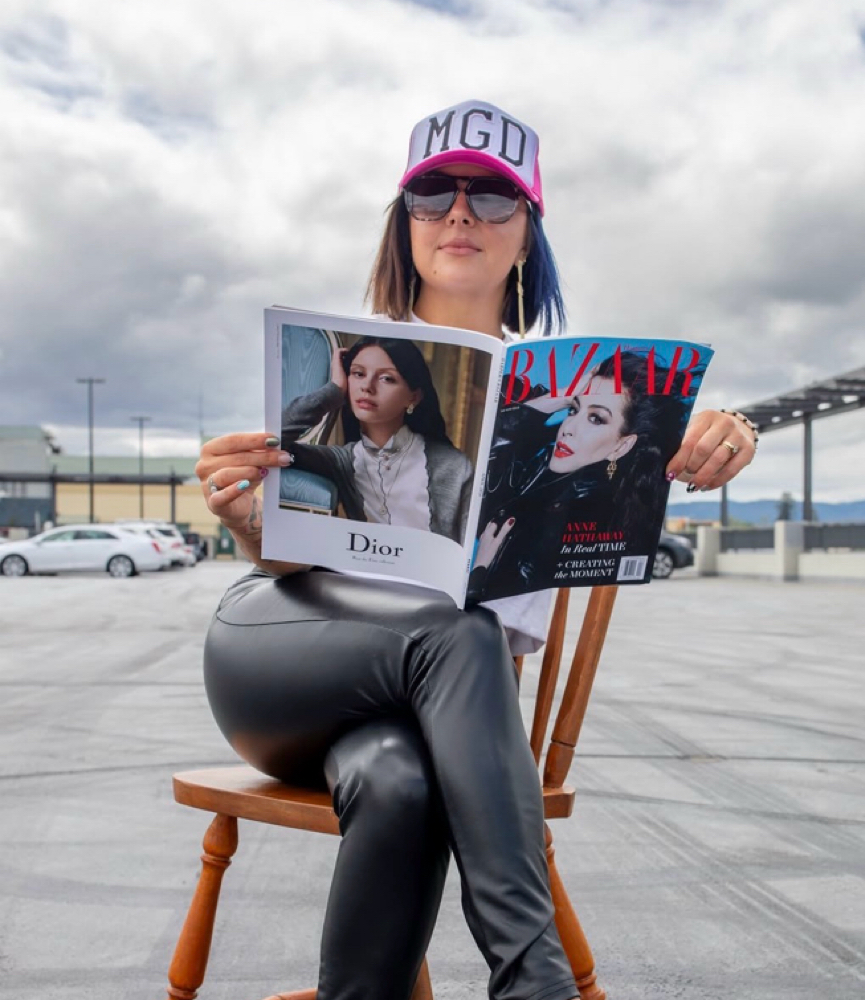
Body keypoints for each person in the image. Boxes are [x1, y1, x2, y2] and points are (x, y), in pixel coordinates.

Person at [195, 98, 758, 1000]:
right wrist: (247, 518)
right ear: (404, 224)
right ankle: (534, 980)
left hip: (413, 723)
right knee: (452, 625)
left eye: (494, 198)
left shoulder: (565, 405)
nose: (461, 214)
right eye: (434, 194)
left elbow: (656, 436)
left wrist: (728, 427)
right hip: (280, 663)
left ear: (528, 233)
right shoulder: (341, 376)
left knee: (401, 780)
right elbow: (291, 565)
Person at [470, 350, 696, 600]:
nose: (569, 428)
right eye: (573, 410)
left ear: (621, 446)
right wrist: (564, 395)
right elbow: (483, 456)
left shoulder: (586, 510)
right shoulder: (539, 469)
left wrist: (480, 573)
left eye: (596, 419)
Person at [281, 335, 474, 543]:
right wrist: (334, 391)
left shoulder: (454, 466)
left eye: (386, 378)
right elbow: (274, 440)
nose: (367, 387)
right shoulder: (341, 461)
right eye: (358, 374)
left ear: (414, 397)